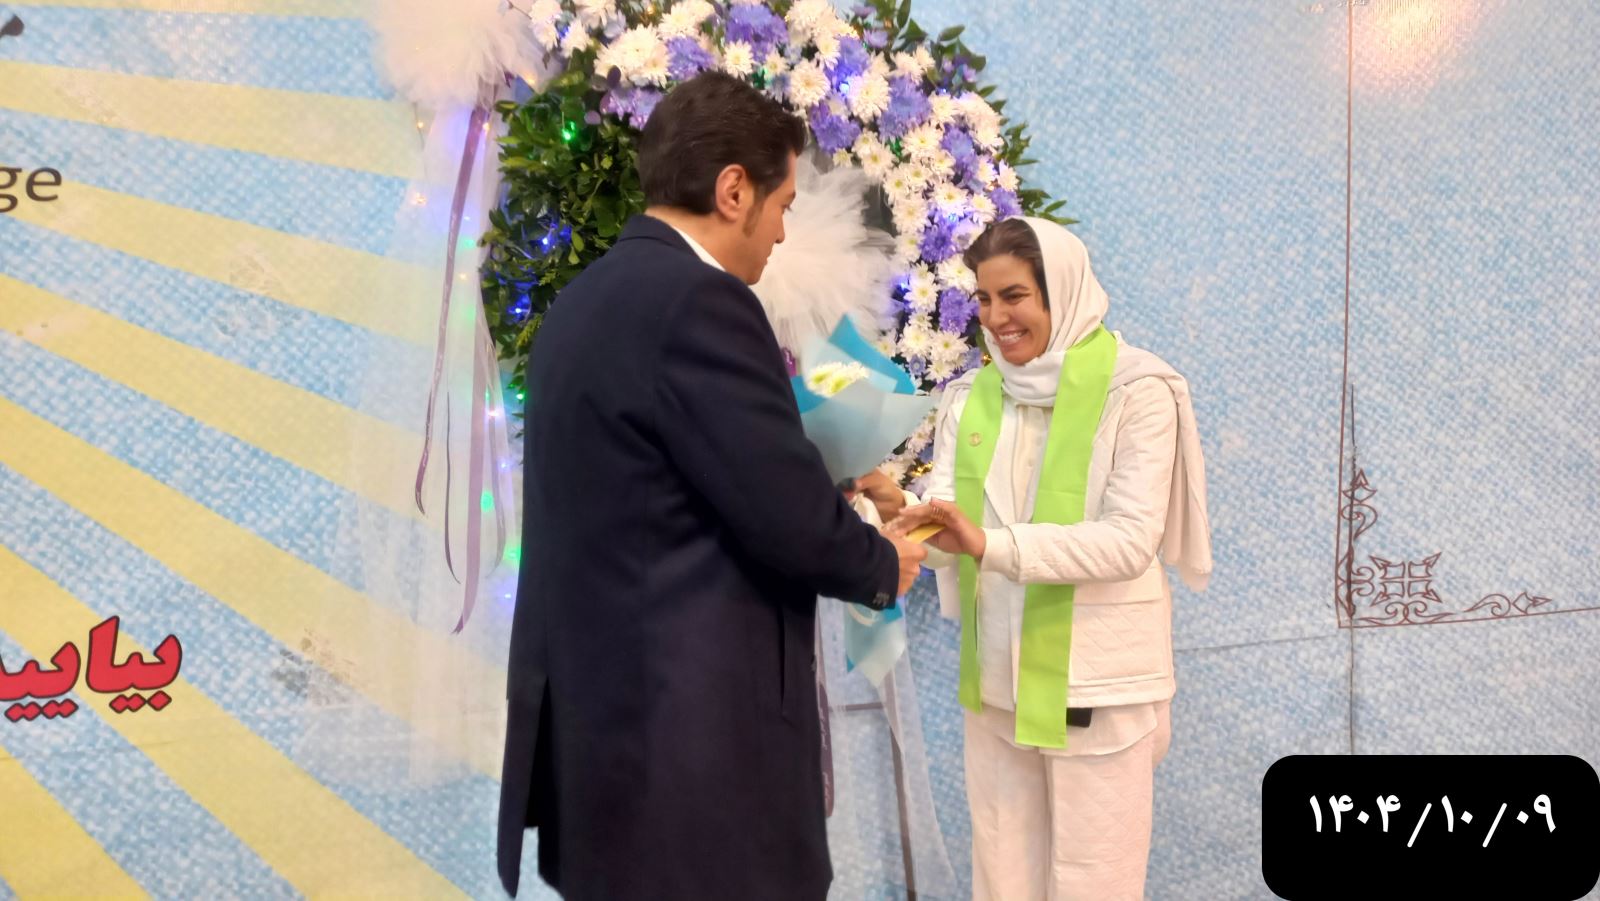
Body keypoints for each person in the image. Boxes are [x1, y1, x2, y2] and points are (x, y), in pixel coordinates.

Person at [496, 71, 928, 900]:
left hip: (601, 743)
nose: (782, 232)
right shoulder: (702, 302)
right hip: (690, 758)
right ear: (734, 191)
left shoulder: (579, 305)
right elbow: (781, 510)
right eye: (783, 204)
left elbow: (673, 489)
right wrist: (881, 561)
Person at [886, 217, 1212, 900]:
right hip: (997, 683)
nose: (995, 317)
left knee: (1094, 884)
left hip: (1095, 687)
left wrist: (990, 545)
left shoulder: (1138, 391)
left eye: (1014, 296)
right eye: (983, 298)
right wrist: (901, 513)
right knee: (1002, 879)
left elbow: (1129, 541)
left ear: (1060, 293)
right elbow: (951, 522)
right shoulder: (971, 396)